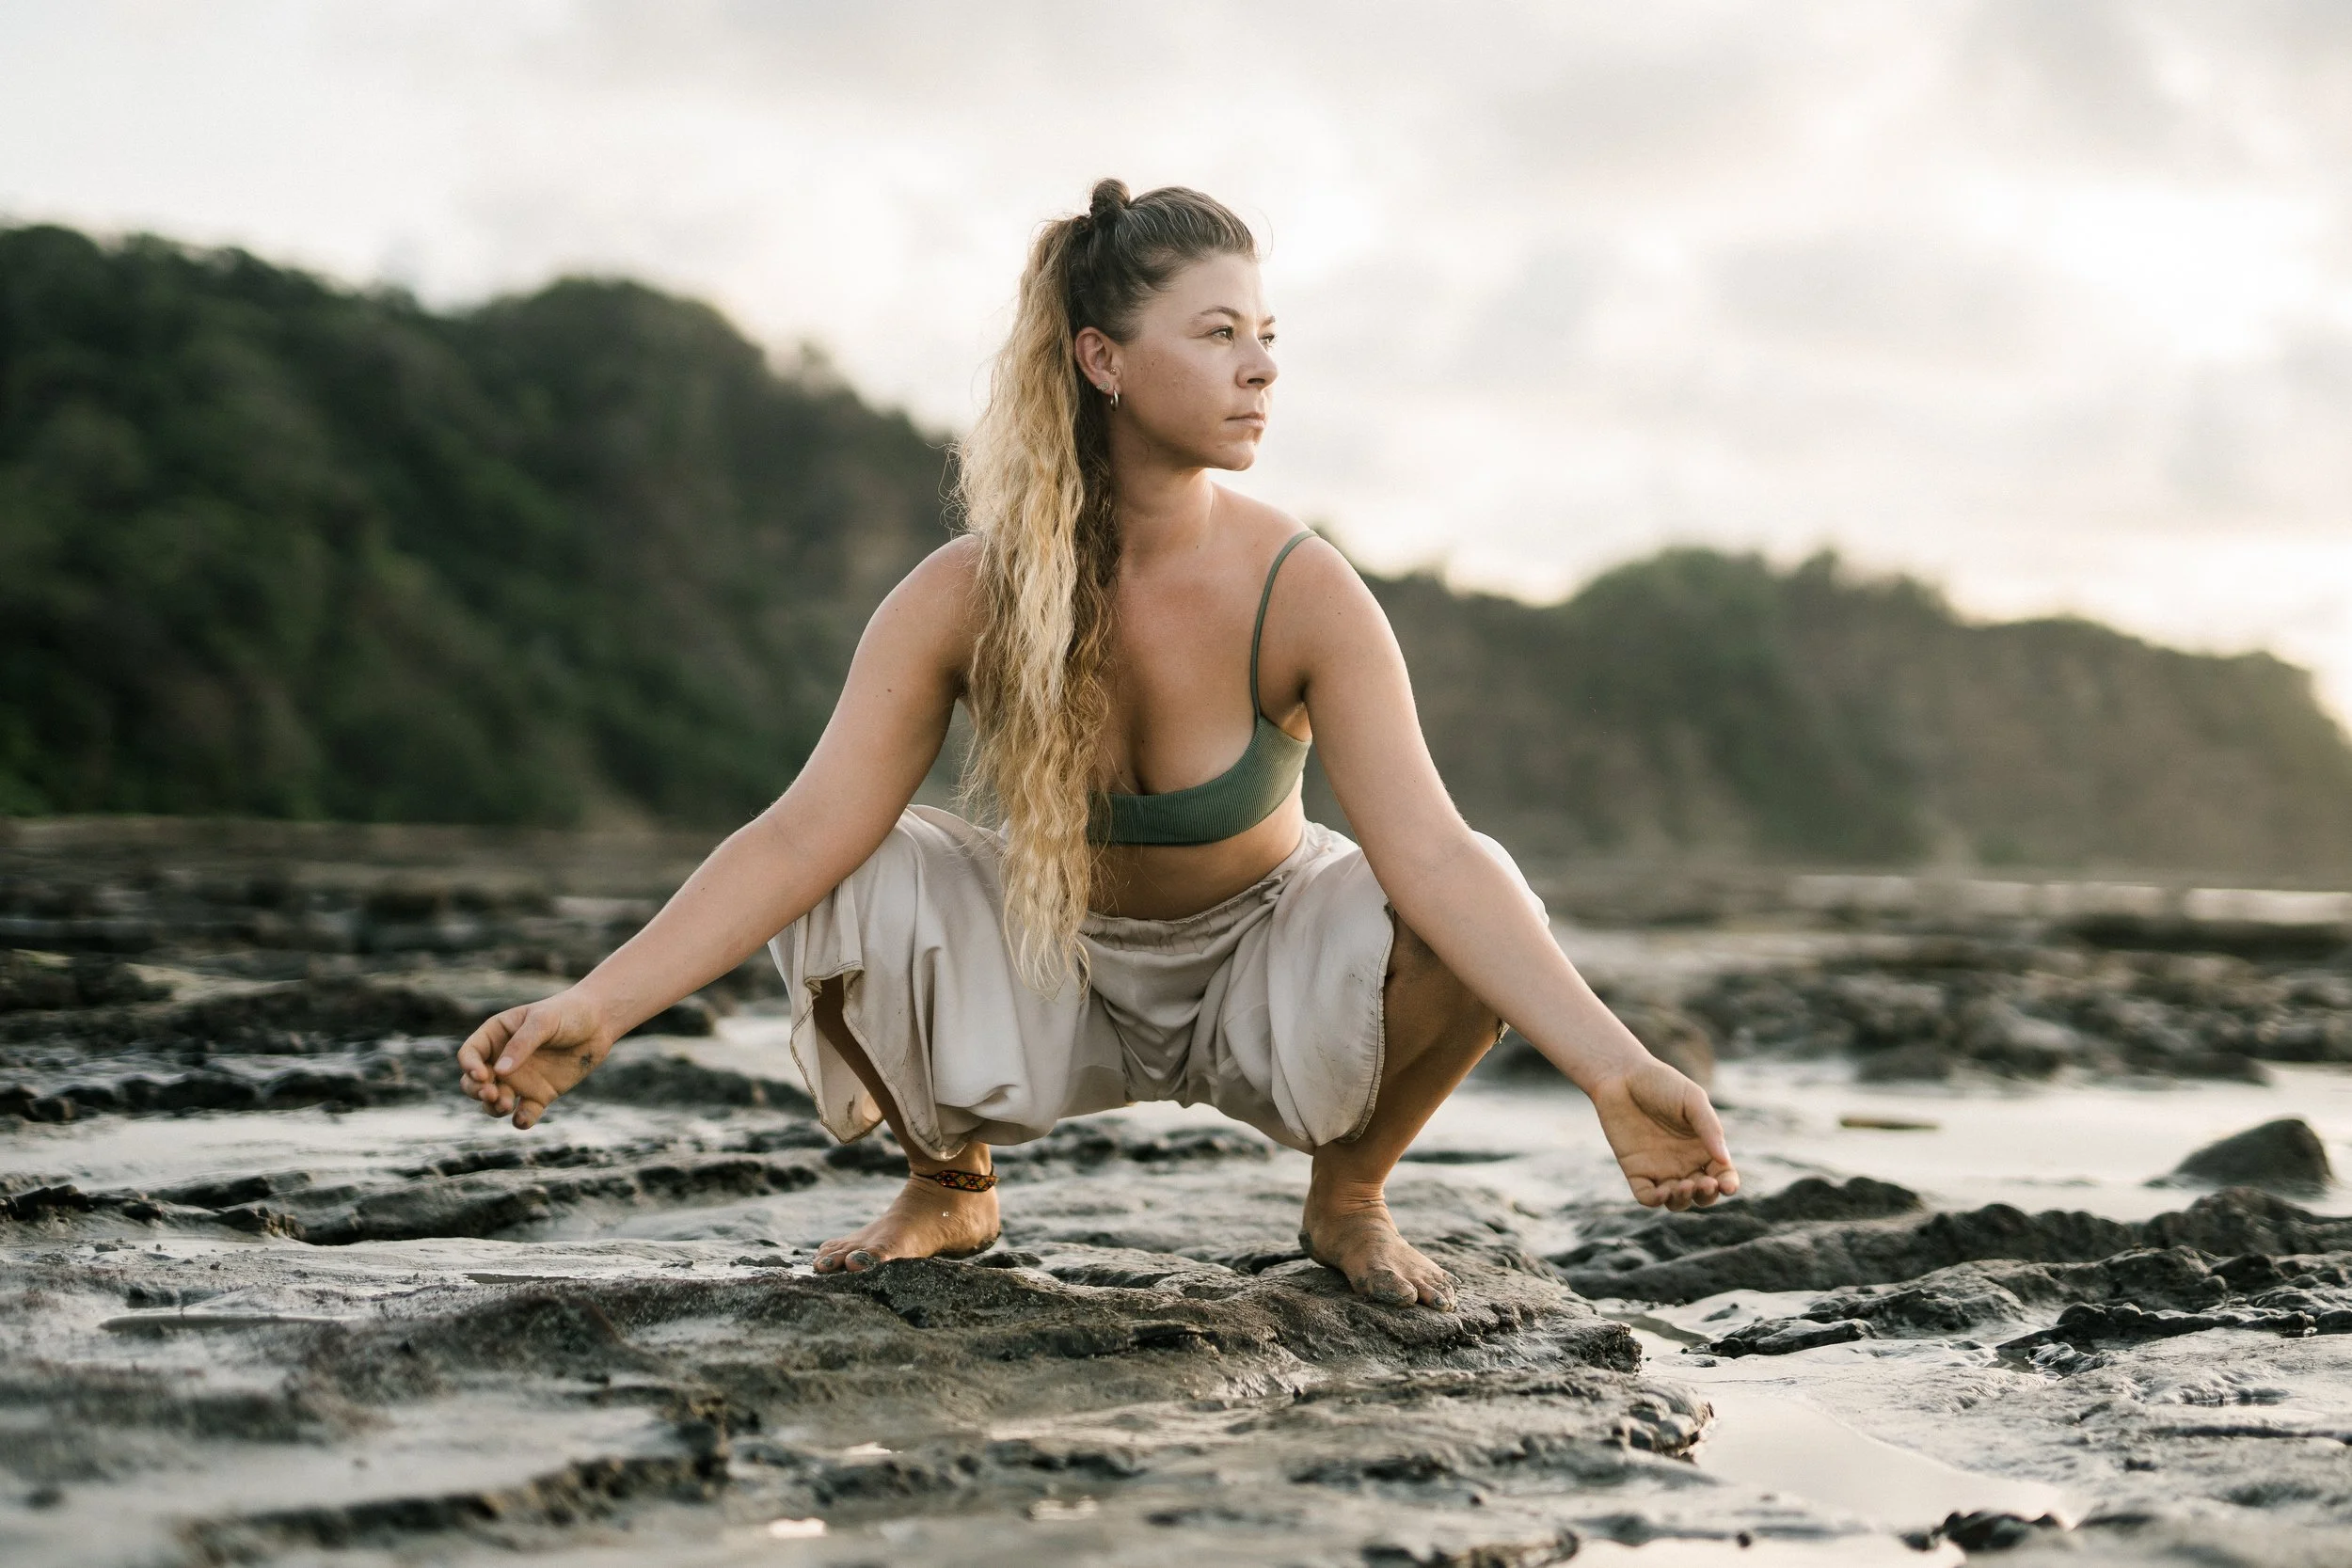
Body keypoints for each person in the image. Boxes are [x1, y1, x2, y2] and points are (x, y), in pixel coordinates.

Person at [457, 179, 1738, 1310]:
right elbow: (802, 829)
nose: (1263, 368)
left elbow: (1437, 859)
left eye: (1268, 336)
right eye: (1219, 333)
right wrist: (596, 1007)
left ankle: (1347, 1194)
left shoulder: (1305, 587)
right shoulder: (966, 592)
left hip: (1268, 976)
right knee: (854, 866)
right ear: (1103, 359)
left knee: (1482, 890)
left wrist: (1614, 1070)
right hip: (1047, 962)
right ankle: (949, 1184)